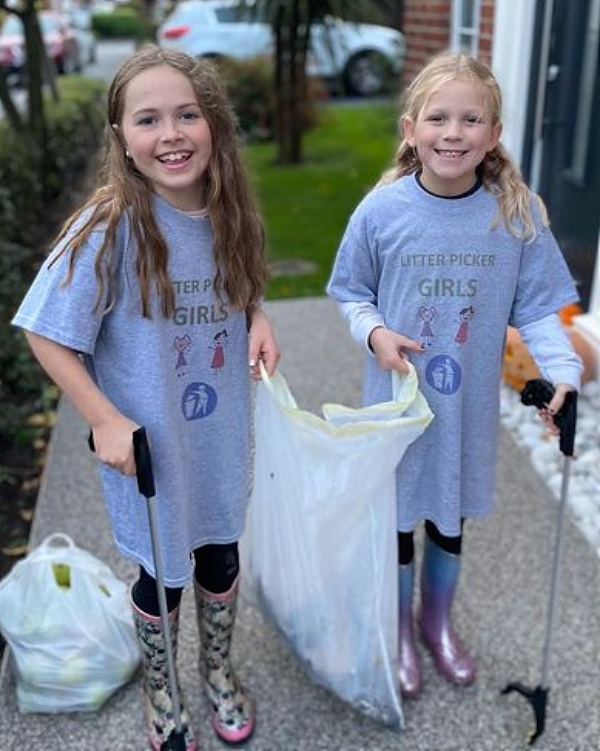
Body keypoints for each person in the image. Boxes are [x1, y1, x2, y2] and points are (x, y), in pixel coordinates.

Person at [12, 45, 280, 750]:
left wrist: (257, 318)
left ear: (214, 124)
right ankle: (164, 693)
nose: (171, 134)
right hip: (147, 449)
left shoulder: (232, 215)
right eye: (149, 119)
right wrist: (102, 417)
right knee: (164, 573)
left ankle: (218, 670)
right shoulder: (106, 228)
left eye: (188, 114)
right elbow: (44, 331)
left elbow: (245, 287)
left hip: (218, 434)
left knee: (221, 555)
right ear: (122, 141)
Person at [326, 51, 582, 701]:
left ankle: (437, 625)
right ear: (410, 129)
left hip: (465, 409)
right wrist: (376, 333)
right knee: (399, 519)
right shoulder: (381, 212)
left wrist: (562, 374)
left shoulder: (514, 217)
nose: (453, 132)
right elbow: (351, 292)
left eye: (471, 120)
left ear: (493, 136)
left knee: (448, 516)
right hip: (399, 406)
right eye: (438, 117)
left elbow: (543, 313)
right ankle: (399, 630)